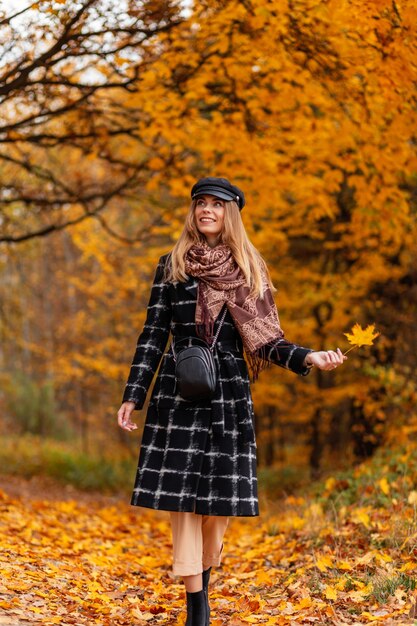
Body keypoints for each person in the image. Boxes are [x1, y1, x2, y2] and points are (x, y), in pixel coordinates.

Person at [117, 177, 346, 625]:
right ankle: (196, 606)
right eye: (200, 203)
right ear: (193, 211)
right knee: (181, 501)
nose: (206, 210)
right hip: (178, 389)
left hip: (229, 395)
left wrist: (310, 357)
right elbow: (152, 336)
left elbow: (266, 341)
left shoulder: (249, 270)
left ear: (230, 214)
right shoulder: (172, 266)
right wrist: (133, 395)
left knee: (219, 504)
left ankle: (203, 577)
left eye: (216, 205)